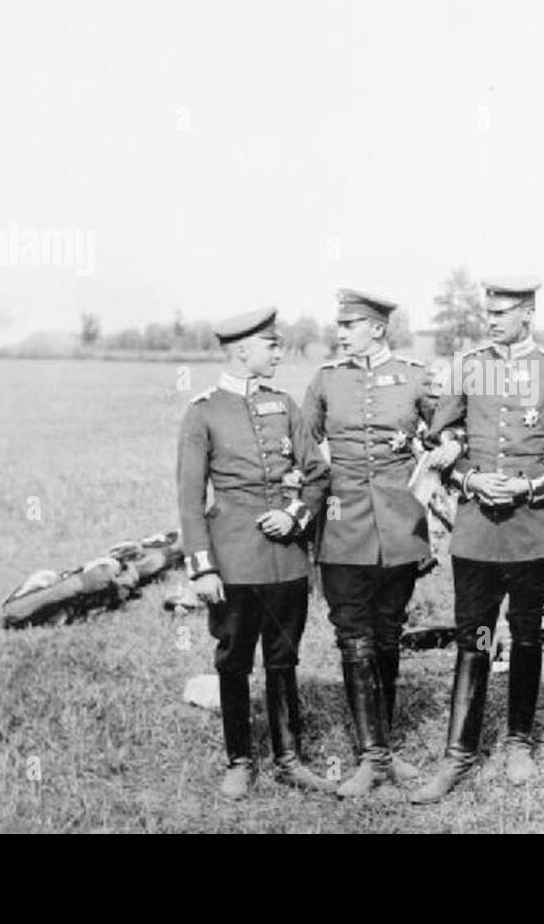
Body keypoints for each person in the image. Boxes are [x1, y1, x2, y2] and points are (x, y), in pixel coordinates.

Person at [411, 275, 544, 803]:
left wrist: (529, 483)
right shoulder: (470, 367)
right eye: (488, 312)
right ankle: (458, 754)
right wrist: (469, 477)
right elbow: (438, 438)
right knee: (474, 638)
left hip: (531, 528)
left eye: (502, 312)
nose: (491, 320)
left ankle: (518, 741)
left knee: (527, 634)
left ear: (528, 315)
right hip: (475, 531)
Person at [176, 306, 333, 799]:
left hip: (285, 559)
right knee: (234, 659)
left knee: (283, 657)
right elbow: (189, 497)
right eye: (271, 345)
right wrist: (202, 567)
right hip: (235, 560)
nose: (278, 352)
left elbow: (317, 475)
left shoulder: (284, 405)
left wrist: (295, 516)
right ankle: (240, 759)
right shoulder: (203, 411)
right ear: (242, 350)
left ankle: (289, 758)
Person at [302, 288, 440, 797]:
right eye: (339, 325)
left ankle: (382, 745)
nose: (340, 333)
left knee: (387, 631)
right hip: (342, 525)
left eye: (350, 325)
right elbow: (301, 446)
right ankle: (372, 756)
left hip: (400, 525)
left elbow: (447, 431)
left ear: (377, 328)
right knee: (352, 634)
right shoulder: (326, 380)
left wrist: (438, 449)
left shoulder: (413, 375)